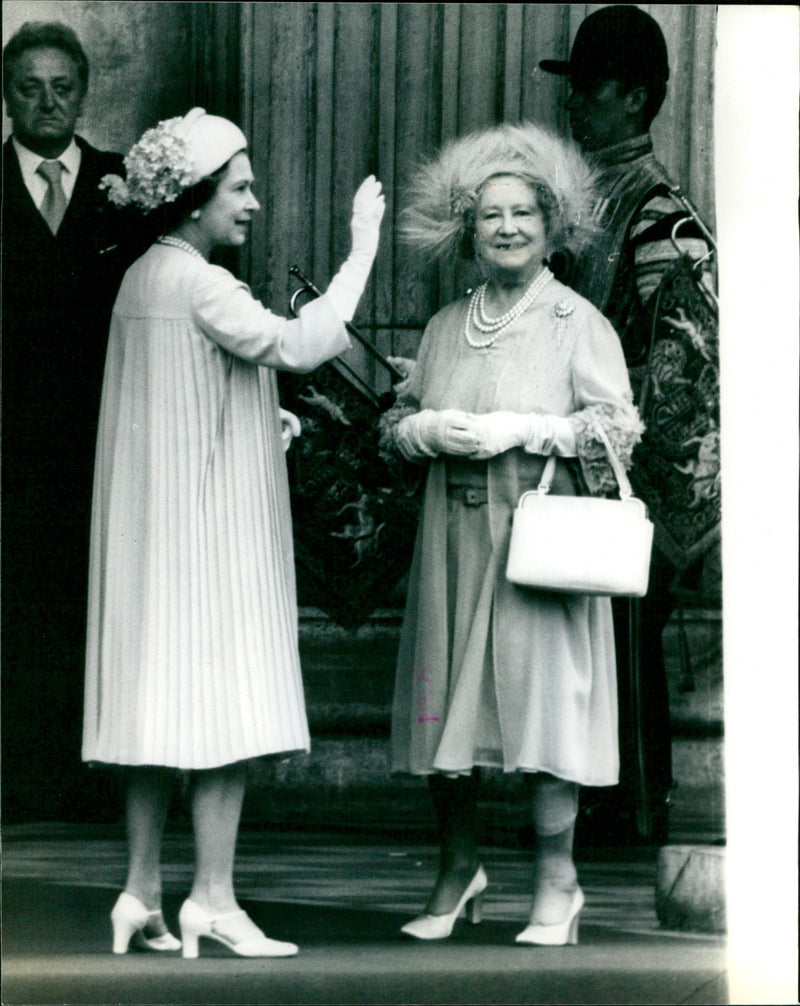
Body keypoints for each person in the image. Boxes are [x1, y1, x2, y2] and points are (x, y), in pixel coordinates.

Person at [81, 107, 385, 957]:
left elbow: (184, 398)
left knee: (152, 716)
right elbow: (304, 344)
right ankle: (211, 898)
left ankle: (139, 891)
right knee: (222, 712)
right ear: (192, 199)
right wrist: (361, 248)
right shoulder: (205, 284)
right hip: (207, 540)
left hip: (158, 537)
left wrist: (261, 426)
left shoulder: (144, 277)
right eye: (240, 188)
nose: (253, 202)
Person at [380, 121, 642, 945]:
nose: (506, 228)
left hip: (536, 544)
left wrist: (523, 432)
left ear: (551, 222)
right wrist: (426, 432)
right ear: (468, 228)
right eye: (490, 215)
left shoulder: (576, 321)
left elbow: (618, 430)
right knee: (443, 712)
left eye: (522, 213)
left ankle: (558, 885)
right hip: (451, 545)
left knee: (545, 713)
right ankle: (460, 872)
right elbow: (395, 422)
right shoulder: (442, 325)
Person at [539, 4, 719, 844]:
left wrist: (638, 478)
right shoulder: (588, 199)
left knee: (625, 634)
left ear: (637, 99)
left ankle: (635, 805)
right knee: (588, 634)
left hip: (632, 470)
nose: (572, 103)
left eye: (589, 87)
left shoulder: (658, 213)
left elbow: (687, 356)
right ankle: (602, 800)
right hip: (581, 461)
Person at [1, 21, 146, 822]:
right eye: (30, 87)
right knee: (15, 606)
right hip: (9, 444)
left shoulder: (128, 185)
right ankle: (18, 779)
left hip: (107, 431)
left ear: (84, 91)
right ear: (7, 94)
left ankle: (92, 780)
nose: (48, 103)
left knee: (99, 602)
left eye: (63, 87)